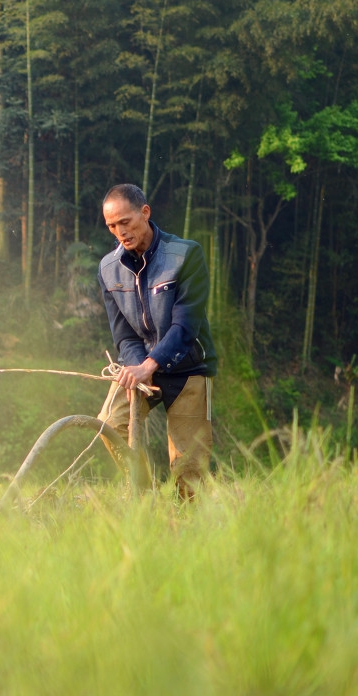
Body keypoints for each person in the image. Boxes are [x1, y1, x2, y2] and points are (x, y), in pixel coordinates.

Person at [98, 183, 217, 499]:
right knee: (109, 423)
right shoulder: (108, 269)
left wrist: (152, 364)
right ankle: (145, 497)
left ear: (145, 213)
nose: (120, 231)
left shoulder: (185, 255)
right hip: (139, 368)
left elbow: (185, 326)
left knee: (189, 469)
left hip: (188, 367)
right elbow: (123, 334)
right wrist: (139, 368)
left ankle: (188, 527)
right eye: (112, 226)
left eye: (126, 221)